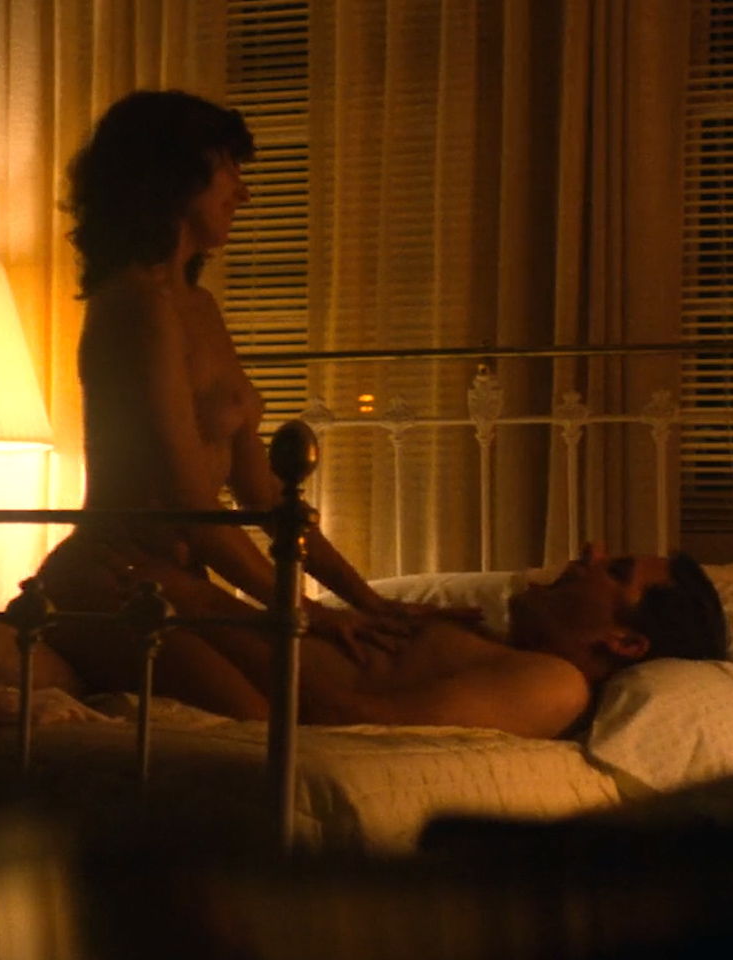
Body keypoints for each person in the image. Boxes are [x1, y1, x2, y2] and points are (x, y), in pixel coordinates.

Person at [35, 89, 460, 714]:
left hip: (176, 581)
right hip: (111, 578)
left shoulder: (197, 307)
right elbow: (191, 506)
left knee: (311, 707)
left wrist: (368, 602)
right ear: (174, 178)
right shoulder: (134, 308)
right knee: (263, 726)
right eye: (229, 169)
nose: (244, 192)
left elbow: (264, 496)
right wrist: (300, 609)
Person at [0, 543, 727, 740]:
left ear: (626, 641)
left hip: (227, 694)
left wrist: (203, 605)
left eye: (614, 571)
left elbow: (344, 720)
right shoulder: (481, 635)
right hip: (164, 661)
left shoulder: (552, 685)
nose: (586, 555)